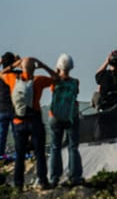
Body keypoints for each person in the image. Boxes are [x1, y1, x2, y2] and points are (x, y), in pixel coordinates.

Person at [0, 56, 57, 190]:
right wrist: (43, 65)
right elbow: (56, 78)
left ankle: (18, 184)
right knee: (39, 153)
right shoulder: (38, 80)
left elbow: (2, 73)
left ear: (21, 67)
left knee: (19, 155)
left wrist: (15, 64)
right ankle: (43, 181)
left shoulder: (13, 79)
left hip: (18, 121)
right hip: (35, 120)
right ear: (34, 68)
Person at [48, 54, 83, 187]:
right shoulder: (75, 82)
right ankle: (75, 176)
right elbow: (76, 93)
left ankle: (54, 177)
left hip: (55, 116)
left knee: (55, 147)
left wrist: (56, 71)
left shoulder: (54, 81)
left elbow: (53, 88)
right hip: (71, 116)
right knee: (73, 146)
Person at [0, 52, 16, 158]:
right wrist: (17, 62)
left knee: (1, 134)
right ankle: (20, 152)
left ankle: (0, 154)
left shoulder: (1, 76)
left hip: (1, 109)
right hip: (15, 109)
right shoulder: (17, 75)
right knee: (17, 134)